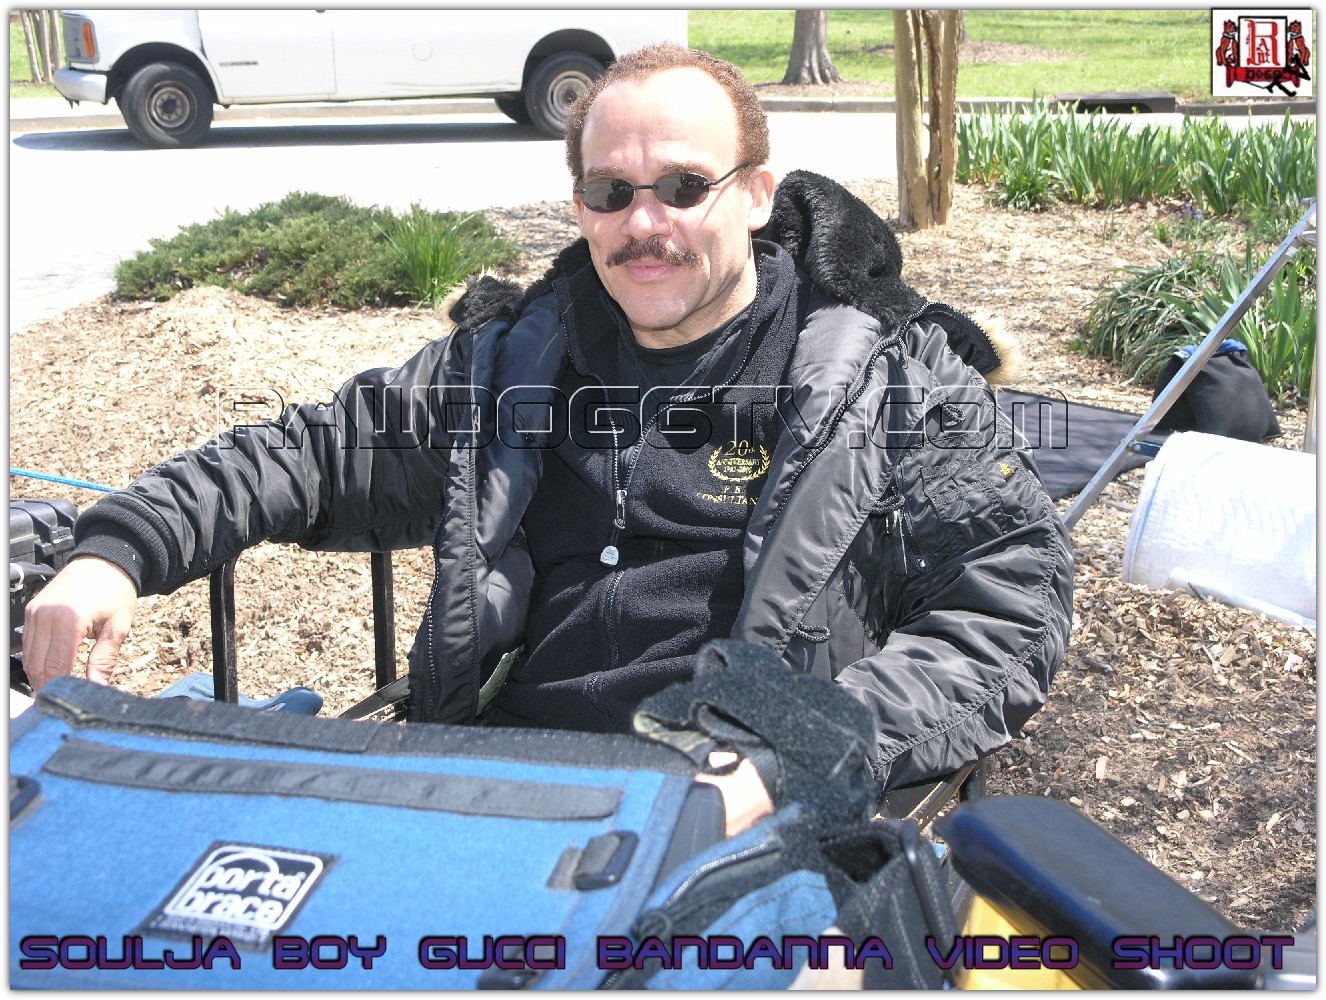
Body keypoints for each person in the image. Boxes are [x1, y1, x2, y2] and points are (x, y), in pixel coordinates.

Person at [22, 45, 1073, 831]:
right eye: (612, 192)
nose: (644, 223)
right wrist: (117, 551)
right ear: (580, 205)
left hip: (736, 816)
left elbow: (1011, 594)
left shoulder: (883, 380)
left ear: (756, 194)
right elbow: (311, 453)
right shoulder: (513, 363)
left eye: (684, 187)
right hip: (494, 797)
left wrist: (800, 747)